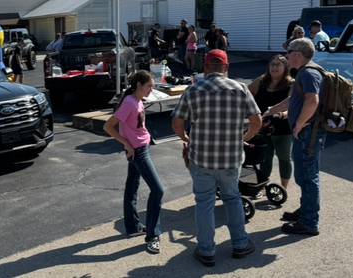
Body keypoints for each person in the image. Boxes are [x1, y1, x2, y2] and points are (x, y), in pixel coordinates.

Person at [171, 50, 262, 267]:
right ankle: (240, 244)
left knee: (204, 203)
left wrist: (185, 137)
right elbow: (256, 121)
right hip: (231, 159)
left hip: (201, 158)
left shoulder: (193, 90)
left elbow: (177, 121)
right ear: (226, 67)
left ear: (205, 67)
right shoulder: (240, 89)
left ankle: (206, 251)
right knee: (232, 198)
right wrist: (243, 138)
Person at [266, 38, 325, 236]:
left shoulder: (308, 73)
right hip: (308, 132)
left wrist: (299, 125)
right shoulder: (306, 72)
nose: (285, 56)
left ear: (298, 54)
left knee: (308, 177)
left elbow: (312, 100)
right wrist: (271, 110)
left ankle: (309, 222)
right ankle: (305, 212)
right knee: (305, 175)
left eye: (288, 52)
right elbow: (294, 100)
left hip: (308, 132)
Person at [103, 70, 165, 255]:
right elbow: (108, 126)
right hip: (138, 152)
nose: (151, 90)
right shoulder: (129, 102)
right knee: (158, 190)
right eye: (149, 86)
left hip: (140, 148)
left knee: (132, 187)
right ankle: (152, 236)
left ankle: (133, 226)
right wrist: (127, 144)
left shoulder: (136, 100)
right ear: (138, 85)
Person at [248, 55, 294, 190]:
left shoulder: (292, 83)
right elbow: (247, 92)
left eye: (278, 65)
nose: (274, 67)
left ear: (285, 68)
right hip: (262, 127)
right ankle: (263, 186)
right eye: (272, 64)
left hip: (283, 128)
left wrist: (284, 114)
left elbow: (293, 103)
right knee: (264, 158)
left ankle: (283, 188)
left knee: (284, 158)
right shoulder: (262, 80)